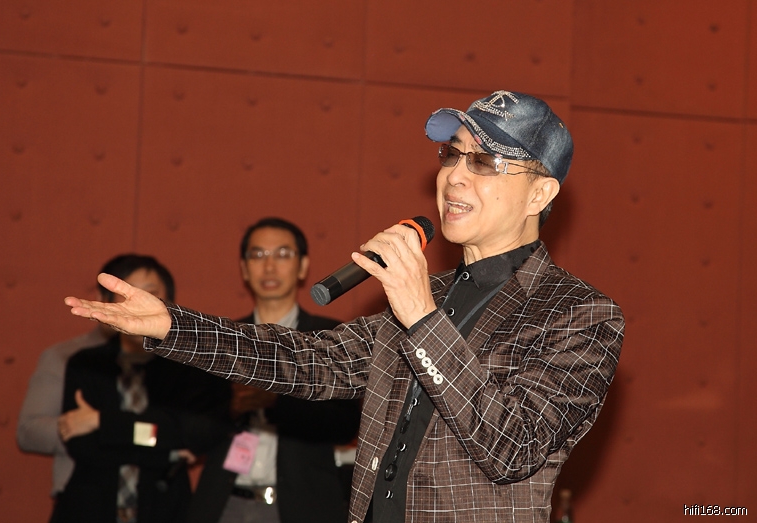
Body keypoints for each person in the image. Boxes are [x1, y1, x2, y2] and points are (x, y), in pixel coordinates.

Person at [65, 90, 625, 523]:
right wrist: (172, 325)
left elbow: (512, 446)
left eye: (484, 162)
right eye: (452, 155)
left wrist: (422, 318)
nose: (454, 175)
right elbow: (307, 361)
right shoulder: (431, 294)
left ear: (540, 193)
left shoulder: (580, 314)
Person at [186, 217, 361, 523]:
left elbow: (345, 424)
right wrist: (232, 407)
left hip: (302, 507)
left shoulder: (329, 337)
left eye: (282, 254)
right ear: (244, 269)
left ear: (303, 266)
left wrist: (276, 401)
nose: (269, 267)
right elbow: (192, 431)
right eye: (258, 255)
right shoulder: (224, 338)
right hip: (225, 504)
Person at [56, 255, 232, 523]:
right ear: (107, 301)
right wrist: (167, 452)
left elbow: (193, 433)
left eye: (149, 293)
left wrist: (103, 422)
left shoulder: (191, 366)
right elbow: (82, 445)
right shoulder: (87, 364)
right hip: (90, 509)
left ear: (168, 302)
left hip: (166, 509)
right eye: (126, 293)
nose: (136, 305)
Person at [17, 255, 131, 512]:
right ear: (103, 298)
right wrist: (82, 430)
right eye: (126, 294)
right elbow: (29, 431)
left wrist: (108, 426)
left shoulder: (171, 364)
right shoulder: (66, 356)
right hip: (84, 498)